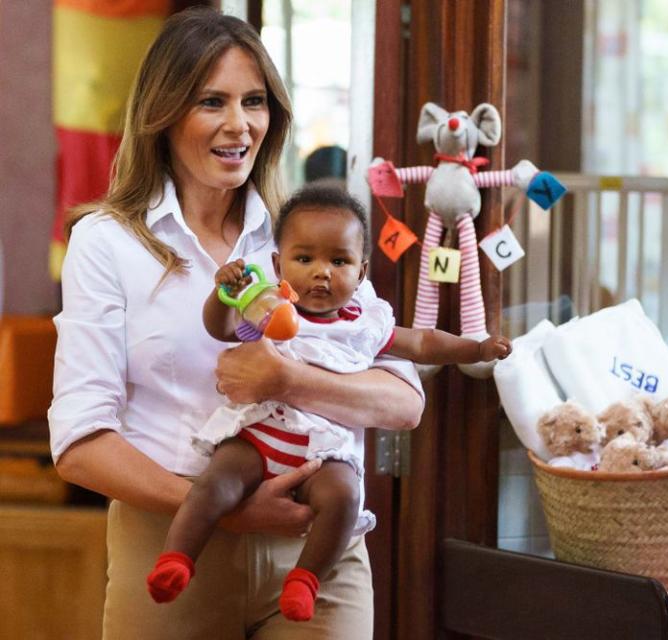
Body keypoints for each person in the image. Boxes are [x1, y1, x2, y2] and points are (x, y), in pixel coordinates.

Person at [48, 8, 424, 639]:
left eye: (254, 101)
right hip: (171, 548)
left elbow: (402, 401)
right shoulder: (105, 242)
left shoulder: (309, 232)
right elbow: (80, 445)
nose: (239, 124)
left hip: (318, 559)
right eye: (211, 102)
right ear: (164, 114)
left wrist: (287, 381)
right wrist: (229, 512)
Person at [147, 185, 511, 620]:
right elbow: (221, 328)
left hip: (324, 448)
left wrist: (477, 349)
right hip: (261, 434)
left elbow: (424, 341)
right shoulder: (269, 307)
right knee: (215, 484)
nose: (322, 272)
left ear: (361, 272)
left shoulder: (365, 325)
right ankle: (178, 559)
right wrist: (222, 293)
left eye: (339, 261)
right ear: (279, 264)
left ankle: (305, 580)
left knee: (345, 495)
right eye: (305, 259)